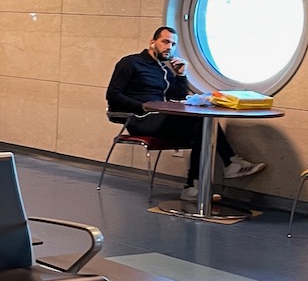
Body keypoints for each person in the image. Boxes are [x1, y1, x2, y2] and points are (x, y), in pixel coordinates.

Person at [106, 26, 265, 201]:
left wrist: (181, 75)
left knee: (204, 129)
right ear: (152, 43)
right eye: (165, 42)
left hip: (159, 118)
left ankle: (196, 186)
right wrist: (143, 106)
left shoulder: (164, 71)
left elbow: (179, 97)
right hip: (139, 119)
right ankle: (225, 166)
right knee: (202, 127)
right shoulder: (130, 63)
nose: (169, 47)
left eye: (173, 44)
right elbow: (113, 95)